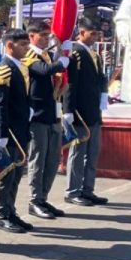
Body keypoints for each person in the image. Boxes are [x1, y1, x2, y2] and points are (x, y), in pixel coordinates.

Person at [24, 24, 70, 220]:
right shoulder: (29, 57)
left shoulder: (46, 55)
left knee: (52, 159)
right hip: (37, 116)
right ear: (31, 36)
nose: (45, 39)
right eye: (42, 35)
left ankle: (43, 197)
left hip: (52, 113)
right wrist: (62, 61)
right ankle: (34, 200)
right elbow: (43, 71)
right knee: (38, 159)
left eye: (47, 36)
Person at [0, 29, 33, 233]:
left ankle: (11, 210)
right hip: (9, 132)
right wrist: (1, 133)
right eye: (23, 44)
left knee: (16, 174)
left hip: (21, 128)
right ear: (9, 45)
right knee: (6, 175)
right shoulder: (3, 69)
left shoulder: (20, 67)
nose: (26, 48)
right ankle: (1, 214)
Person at [64, 18, 109, 207]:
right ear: (81, 33)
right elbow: (70, 84)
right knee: (78, 152)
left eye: (97, 34)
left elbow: (100, 78)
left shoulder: (94, 54)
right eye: (92, 33)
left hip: (93, 111)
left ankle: (87, 189)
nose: (95, 37)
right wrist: (68, 110)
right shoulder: (77, 54)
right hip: (80, 112)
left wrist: (104, 95)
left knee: (93, 152)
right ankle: (73, 191)